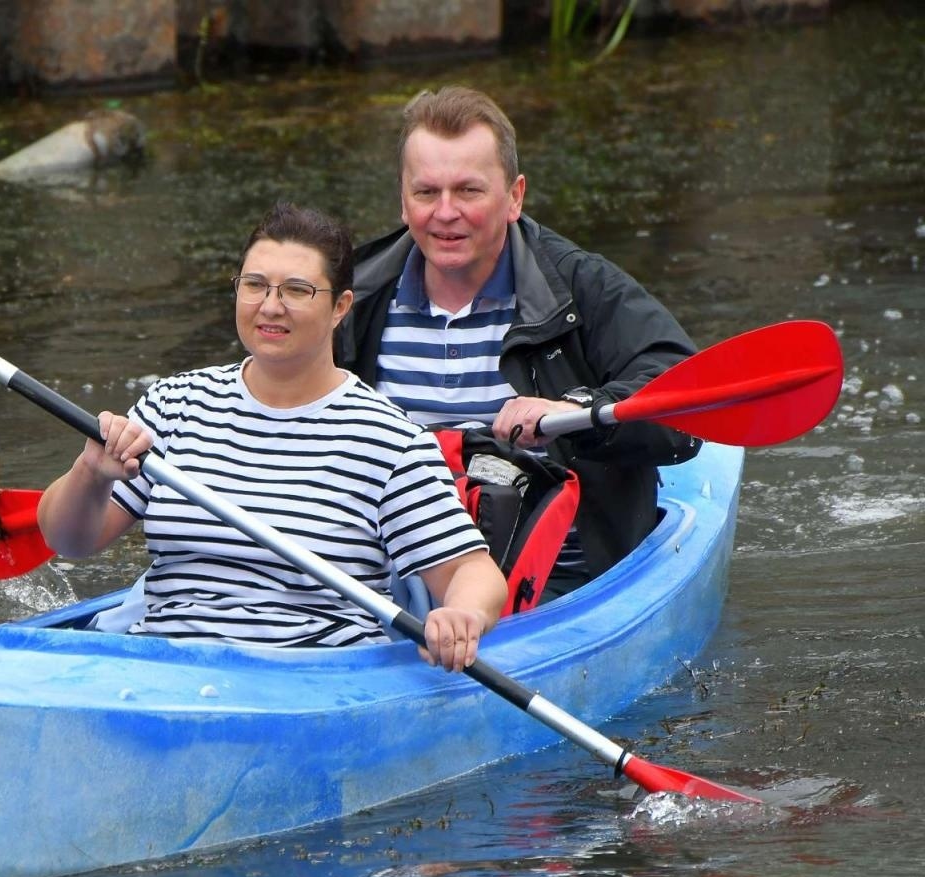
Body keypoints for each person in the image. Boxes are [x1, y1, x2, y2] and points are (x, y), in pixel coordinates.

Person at [38, 202, 506, 671]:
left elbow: (471, 570)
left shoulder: (389, 439)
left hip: (310, 678)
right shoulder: (174, 403)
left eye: (297, 290)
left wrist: (462, 614)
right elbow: (70, 542)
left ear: (340, 306)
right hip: (165, 667)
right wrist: (90, 474)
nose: (270, 306)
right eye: (255, 285)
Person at [337, 85, 701, 598]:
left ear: (514, 196)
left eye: (468, 191)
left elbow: (682, 400)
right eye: (426, 192)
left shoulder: (582, 286)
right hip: (388, 576)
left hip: (558, 575)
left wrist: (575, 410)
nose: (445, 213)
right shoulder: (349, 297)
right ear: (403, 200)